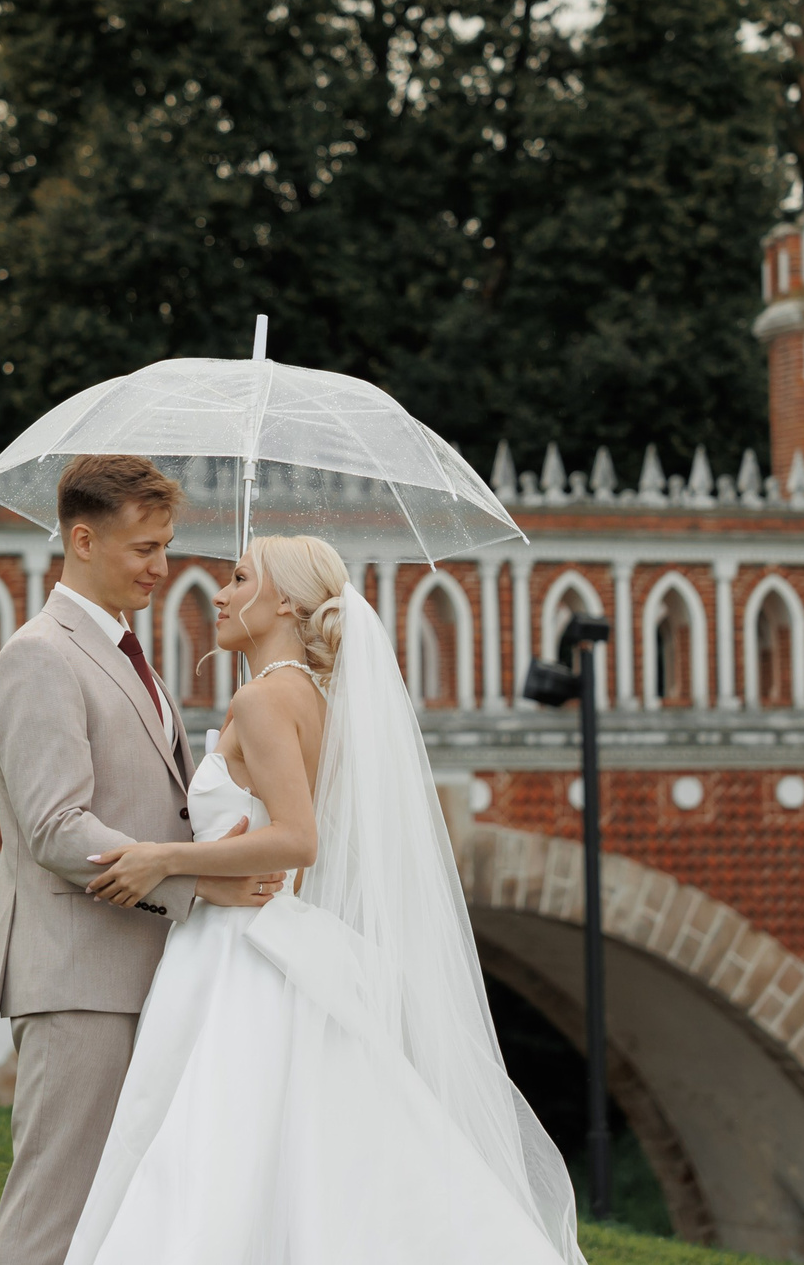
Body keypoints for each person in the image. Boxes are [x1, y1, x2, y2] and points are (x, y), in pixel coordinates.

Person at [64, 534, 587, 1265]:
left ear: (282, 601)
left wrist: (166, 859)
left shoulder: (263, 698)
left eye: (239, 577)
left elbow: (297, 839)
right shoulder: (307, 696)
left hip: (237, 950)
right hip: (257, 933)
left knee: (216, 1145)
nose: (216, 593)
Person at [0, 454, 285, 1265]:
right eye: (145, 549)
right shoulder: (40, 655)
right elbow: (56, 826)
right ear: (82, 540)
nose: (162, 568)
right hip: (79, 977)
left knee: (129, 1213)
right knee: (58, 1208)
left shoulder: (124, 655)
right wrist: (196, 878)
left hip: (150, 970)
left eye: (166, 546)